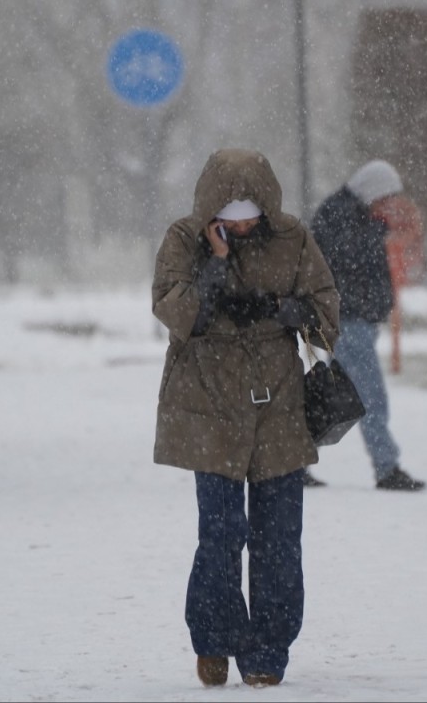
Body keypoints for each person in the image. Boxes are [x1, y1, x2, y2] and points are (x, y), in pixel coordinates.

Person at [151, 148, 340, 688]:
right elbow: (171, 307)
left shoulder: (293, 239)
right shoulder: (182, 240)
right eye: (230, 218)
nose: (242, 226)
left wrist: (281, 309)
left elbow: (327, 313)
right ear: (211, 212)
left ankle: (268, 650)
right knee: (221, 531)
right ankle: (212, 640)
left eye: (250, 215)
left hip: (277, 404)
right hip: (207, 403)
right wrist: (213, 268)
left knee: (279, 534)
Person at [307, 159, 427, 492]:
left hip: (347, 318)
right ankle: (386, 468)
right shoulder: (347, 218)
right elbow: (350, 267)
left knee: (333, 396)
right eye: (387, 196)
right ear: (372, 191)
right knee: (369, 397)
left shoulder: (351, 215)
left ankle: (294, 463)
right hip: (348, 321)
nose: (391, 204)